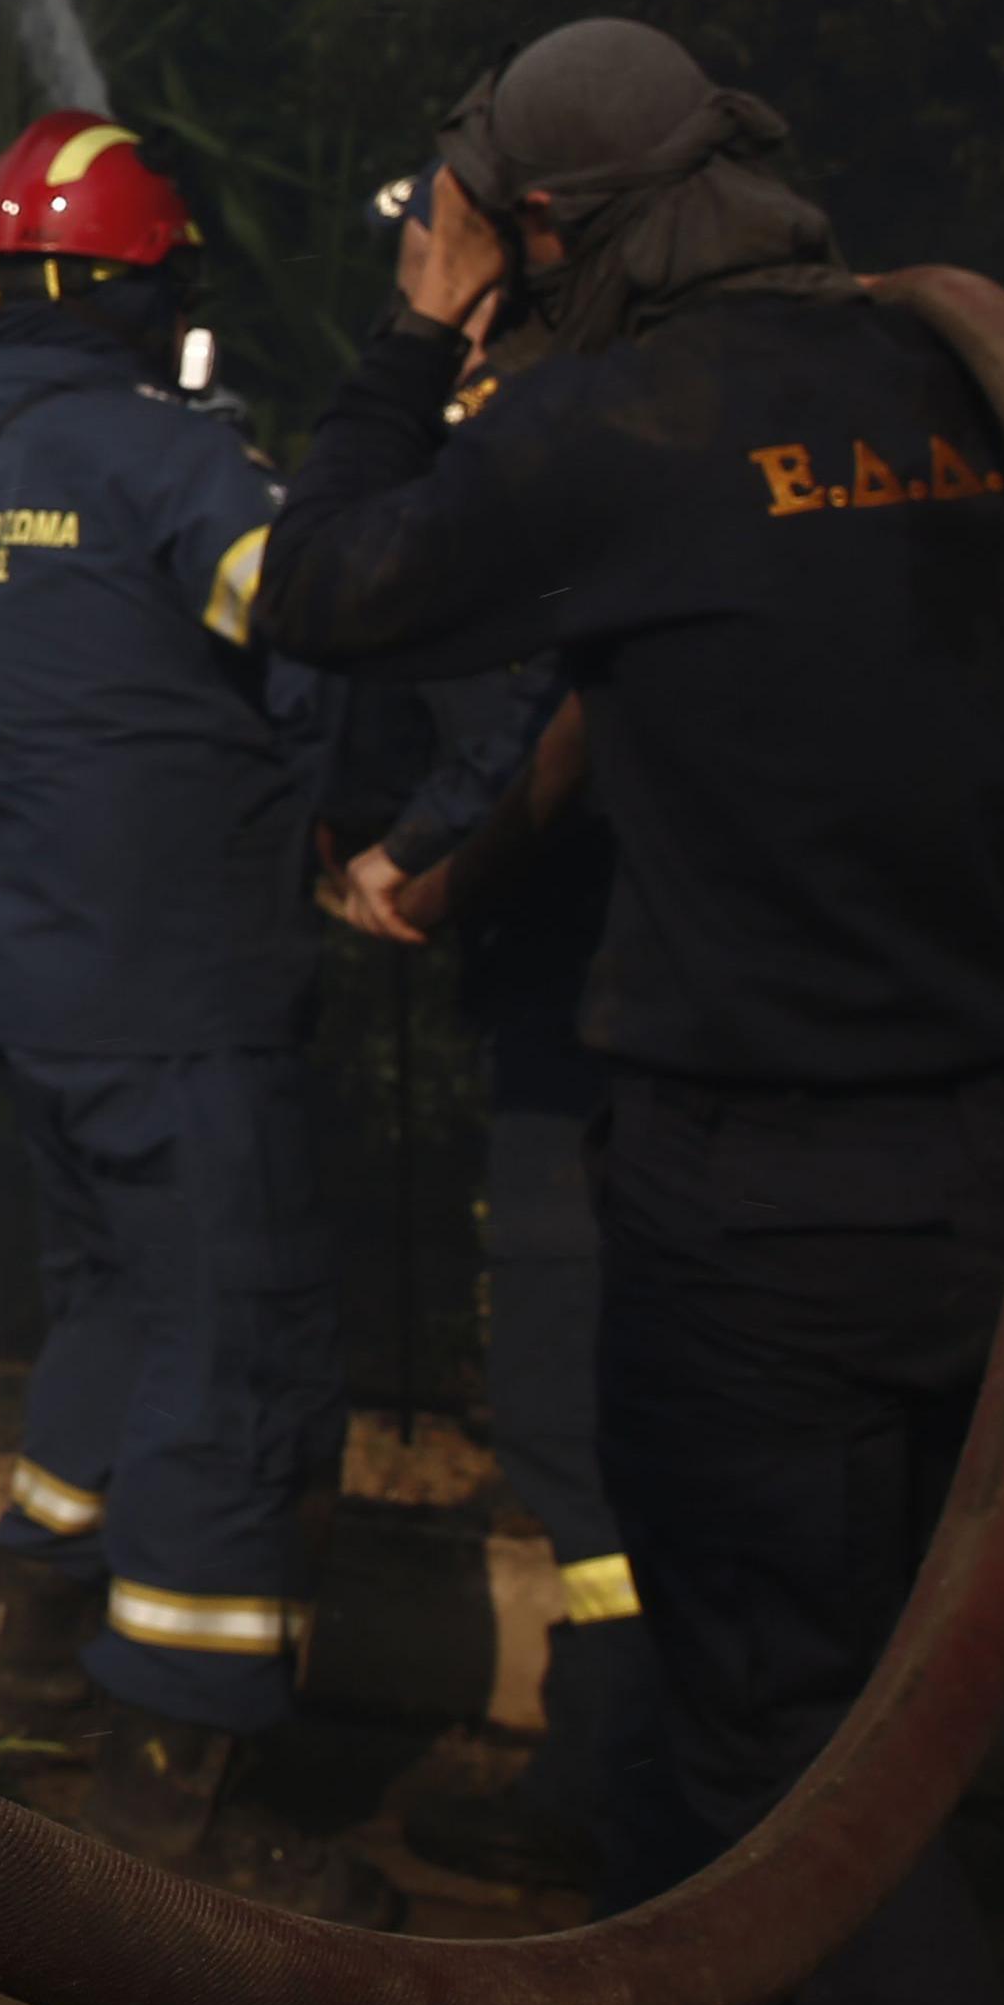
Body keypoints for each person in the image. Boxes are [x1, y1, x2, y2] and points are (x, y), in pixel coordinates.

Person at [259, 18, 1004, 2005]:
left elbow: (330, 588)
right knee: (897, 1688)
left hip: (766, 1190)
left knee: (783, 1735)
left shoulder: (616, 422)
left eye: (488, 234)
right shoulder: (962, 388)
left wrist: (414, 332)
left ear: (542, 229)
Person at [0, 110, 390, 1929]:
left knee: (110, 1309)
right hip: (178, 996)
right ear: (145, 284)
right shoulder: (168, 468)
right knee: (231, 1352)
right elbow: (318, 616)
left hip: (30, 994)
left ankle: (24, 1665)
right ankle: (173, 1788)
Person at [325, 654, 673, 1896]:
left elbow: (522, 708)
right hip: (679, 1006)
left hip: (584, 1018)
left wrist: (413, 844)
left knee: (564, 1411)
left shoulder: (555, 492)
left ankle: (614, 1777)